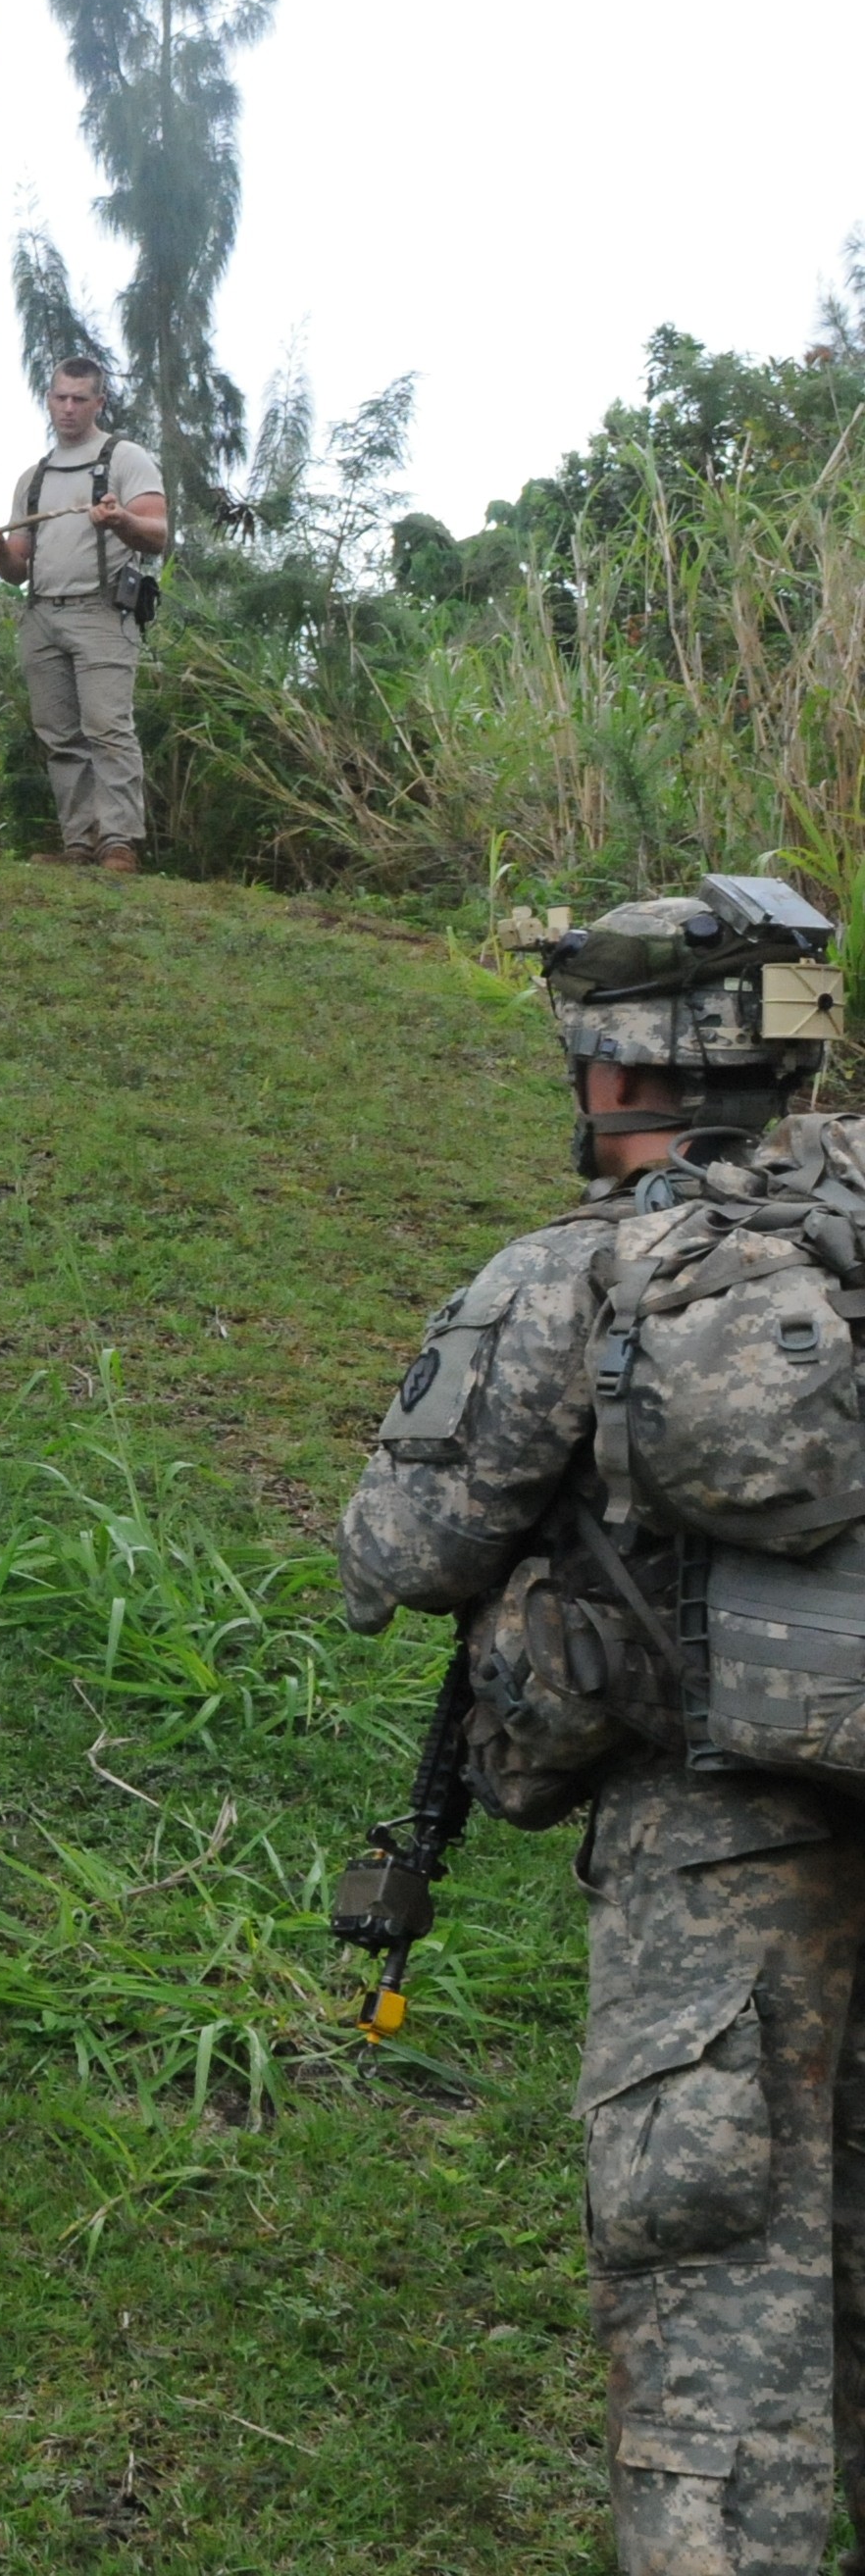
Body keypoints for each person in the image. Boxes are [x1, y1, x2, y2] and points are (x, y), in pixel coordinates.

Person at [338, 891, 849, 2576]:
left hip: (710, 1867)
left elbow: (398, 1552)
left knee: (715, 2307)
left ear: (616, 1063)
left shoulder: (576, 1271)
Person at [0, 355, 167, 872]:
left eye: (80, 398)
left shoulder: (125, 458)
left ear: (99, 403)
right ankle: (79, 843)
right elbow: (16, 570)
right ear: (49, 400)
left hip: (102, 612)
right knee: (59, 736)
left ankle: (119, 842)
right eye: (60, 397)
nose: (69, 408)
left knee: (107, 728)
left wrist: (120, 519)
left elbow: (158, 533)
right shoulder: (34, 478)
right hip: (42, 614)